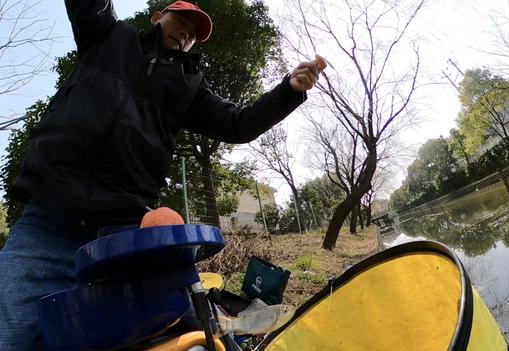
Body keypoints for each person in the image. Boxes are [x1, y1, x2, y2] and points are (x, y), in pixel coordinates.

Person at [0, 1, 327, 349]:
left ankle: (227, 333)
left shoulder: (189, 86)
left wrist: (289, 90)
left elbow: (238, 124)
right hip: (49, 221)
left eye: (194, 34)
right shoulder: (109, 36)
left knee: (192, 318)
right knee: (12, 333)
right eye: (181, 21)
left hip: (123, 229)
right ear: (158, 17)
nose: (187, 33)